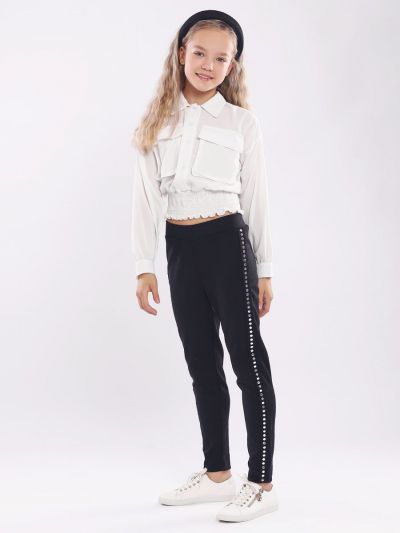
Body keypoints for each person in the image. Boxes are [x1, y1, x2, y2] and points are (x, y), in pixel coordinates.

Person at [130, 9, 278, 523]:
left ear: (233, 65)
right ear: (181, 54)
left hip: (227, 243)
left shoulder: (241, 123)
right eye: (199, 53)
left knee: (248, 362)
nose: (208, 65)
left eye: (221, 58)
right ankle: (218, 475)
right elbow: (145, 197)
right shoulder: (158, 122)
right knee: (201, 363)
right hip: (180, 247)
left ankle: (261, 483)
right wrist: (143, 264)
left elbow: (257, 196)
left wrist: (265, 268)